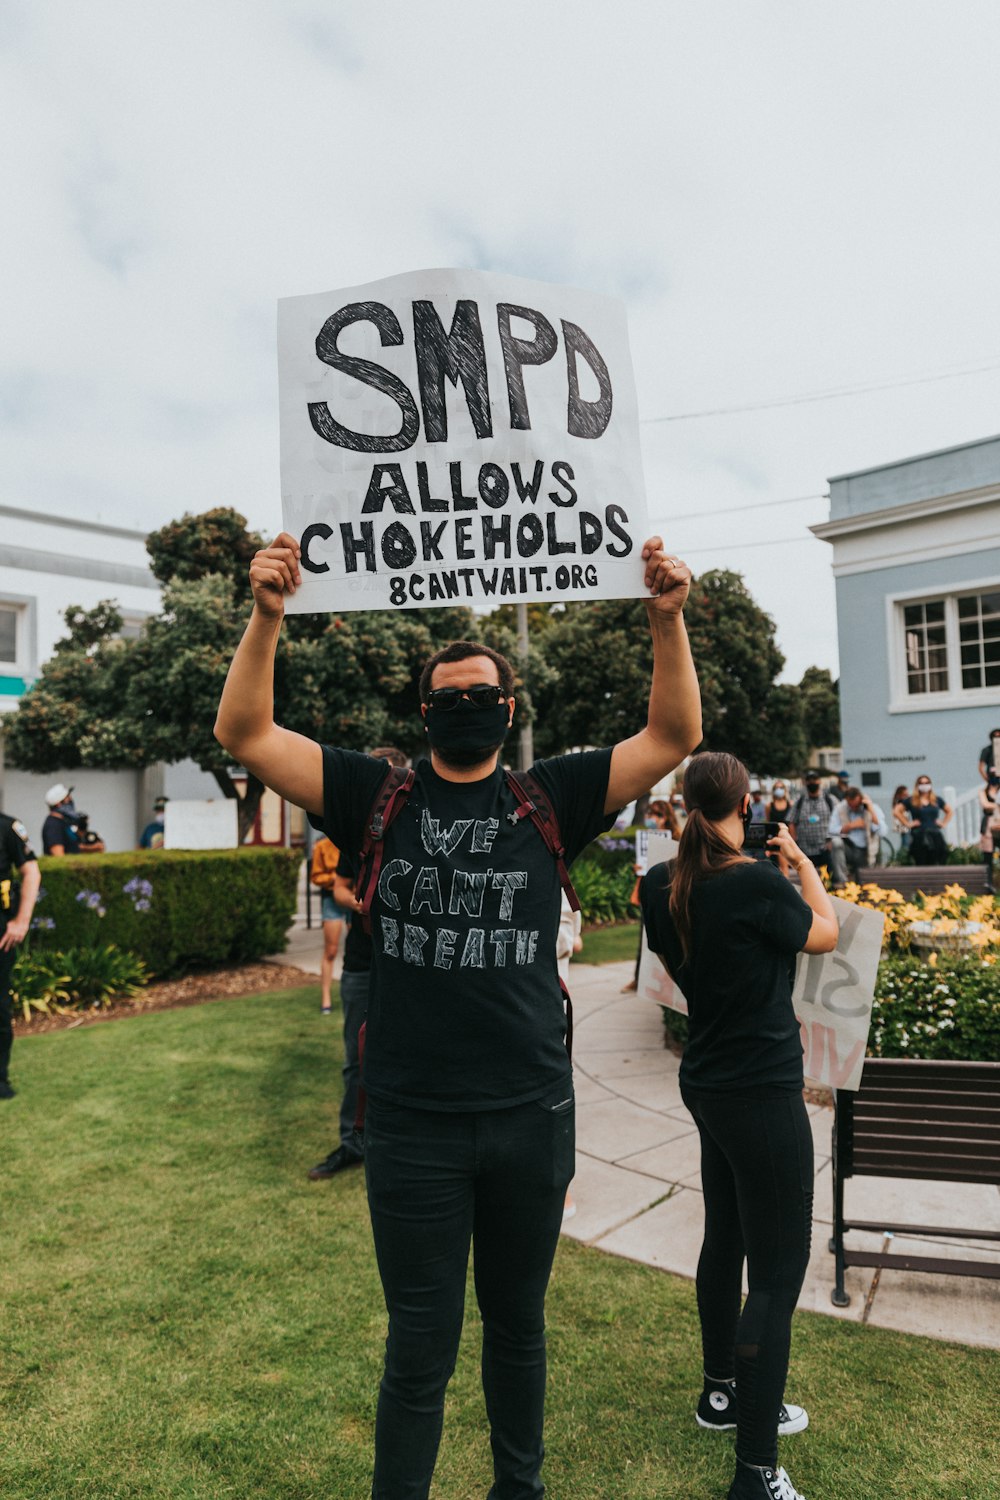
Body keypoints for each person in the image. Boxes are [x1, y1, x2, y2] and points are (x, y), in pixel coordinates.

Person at [214, 529, 702, 1500]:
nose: (467, 709)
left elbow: (673, 738)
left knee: (518, 1331)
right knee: (419, 1345)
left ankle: (516, 1490)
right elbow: (247, 735)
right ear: (424, 712)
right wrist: (266, 618)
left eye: (482, 696)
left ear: (508, 708)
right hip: (411, 1124)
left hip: (529, 1117)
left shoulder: (549, 793)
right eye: (449, 699)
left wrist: (666, 619)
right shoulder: (372, 794)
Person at [641, 751, 838, 1500]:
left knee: (725, 1241)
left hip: (708, 1083)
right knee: (777, 1277)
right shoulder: (754, 881)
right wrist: (800, 862)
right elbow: (821, 932)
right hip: (760, 1090)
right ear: (746, 801)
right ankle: (757, 1472)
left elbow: (675, 961)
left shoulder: (661, 882)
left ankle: (721, 1394)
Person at [309, 746, 409, 1178]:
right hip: (362, 966)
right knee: (357, 1061)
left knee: (414, 1058)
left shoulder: (417, 829)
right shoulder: (357, 833)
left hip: (409, 966)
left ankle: (405, 1144)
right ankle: (353, 1142)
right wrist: (373, 904)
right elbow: (339, 889)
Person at [0, 808, 41, 1100]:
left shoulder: (7, 828)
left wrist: (22, 921)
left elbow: (31, 871)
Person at [311, 834, 349, 1015]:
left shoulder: (354, 840)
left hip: (353, 895)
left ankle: (354, 991)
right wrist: (335, 878)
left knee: (356, 947)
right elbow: (316, 876)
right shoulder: (322, 846)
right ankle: (325, 996)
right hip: (331, 897)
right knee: (331, 950)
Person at [828, 786, 887, 887]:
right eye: (850, 805)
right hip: (849, 847)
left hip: (866, 851)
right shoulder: (841, 808)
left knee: (863, 882)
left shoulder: (872, 808)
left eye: (856, 806)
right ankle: (842, 881)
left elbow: (882, 832)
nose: (853, 808)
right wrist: (850, 826)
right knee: (836, 842)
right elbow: (831, 830)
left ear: (861, 800)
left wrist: (871, 810)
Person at [895, 776, 952, 865]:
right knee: (921, 861)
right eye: (921, 783)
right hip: (919, 835)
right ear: (917, 785)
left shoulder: (936, 800)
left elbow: (949, 811)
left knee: (938, 860)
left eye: (927, 783)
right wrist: (908, 823)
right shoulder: (911, 800)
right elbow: (897, 811)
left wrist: (943, 823)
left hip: (935, 835)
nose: (924, 785)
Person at [787, 770, 837, 872]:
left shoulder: (830, 800)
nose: (812, 782)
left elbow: (838, 821)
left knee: (828, 880)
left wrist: (832, 840)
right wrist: (794, 842)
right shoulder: (799, 802)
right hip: (805, 850)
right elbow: (791, 821)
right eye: (809, 780)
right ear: (805, 783)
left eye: (814, 779)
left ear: (819, 781)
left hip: (825, 849)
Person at [766, 781, 793, 876]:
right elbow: (768, 823)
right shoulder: (769, 806)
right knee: (775, 868)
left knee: (785, 867)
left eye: (781, 787)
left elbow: (792, 824)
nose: (779, 790)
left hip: (786, 838)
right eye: (777, 788)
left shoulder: (790, 804)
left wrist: (793, 840)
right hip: (774, 839)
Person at [978, 781, 1000, 894]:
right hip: (988, 827)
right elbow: (985, 805)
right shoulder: (983, 791)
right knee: (988, 857)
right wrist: (996, 805)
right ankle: (989, 886)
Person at [890, 784, 912, 857]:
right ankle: (902, 858)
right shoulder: (901, 804)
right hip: (904, 827)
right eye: (905, 795)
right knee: (906, 844)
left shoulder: (900, 803)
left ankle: (902, 857)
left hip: (904, 827)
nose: (907, 796)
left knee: (905, 842)